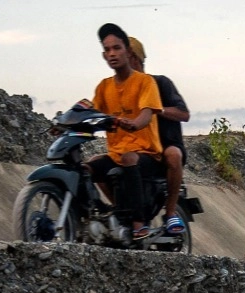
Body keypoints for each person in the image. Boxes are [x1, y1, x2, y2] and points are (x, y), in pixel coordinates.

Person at [76, 23, 161, 239]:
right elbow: (92, 113)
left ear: (128, 51)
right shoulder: (104, 87)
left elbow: (146, 113)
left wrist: (134, 123)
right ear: (104, 55)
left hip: (147, 152)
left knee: (129, 158)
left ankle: (139, 222)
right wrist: (69, 123)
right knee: (88, 167)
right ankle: (105, 212)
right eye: (107, 50)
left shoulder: (145, 82)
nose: (112, 54)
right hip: (117, 154)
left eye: (117, 48)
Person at [136, 47, 191, 236]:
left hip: (166, 145)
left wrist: (157, 110)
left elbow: (184, 114)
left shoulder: (161, 83)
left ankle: (170, 213)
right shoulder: (120, 90)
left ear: (136, 60)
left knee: (173, 155)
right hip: (140, 148)